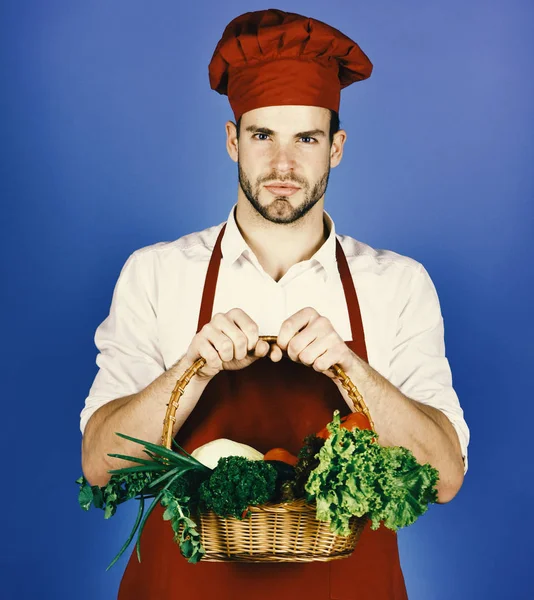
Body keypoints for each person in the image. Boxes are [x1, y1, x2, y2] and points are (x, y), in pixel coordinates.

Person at [80, 8, 469, 600]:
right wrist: (191, 371)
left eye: (306, 138)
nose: (284, 165)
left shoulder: (397, 284)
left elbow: (443, 477)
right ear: (233, 139)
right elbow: (101, 465)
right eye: (263, 136)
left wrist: (353, 369)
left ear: (335, 148)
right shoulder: (156, 274)